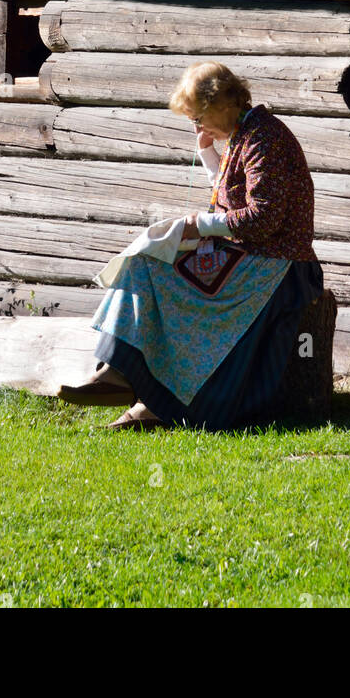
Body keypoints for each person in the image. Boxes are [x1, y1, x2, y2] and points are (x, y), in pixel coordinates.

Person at [57, 61, 324, 430]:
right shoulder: (244, 133)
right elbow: (235, 195)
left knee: (169, 279)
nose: (197, 127)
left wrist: (202, 225)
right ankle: (117, 373)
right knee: (146, 261)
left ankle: (156, 401)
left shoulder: (266, 138)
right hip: (253, 255)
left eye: (199, 117)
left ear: (225, 103)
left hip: (280, 266)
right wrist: (210, 156)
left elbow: (263, 218)